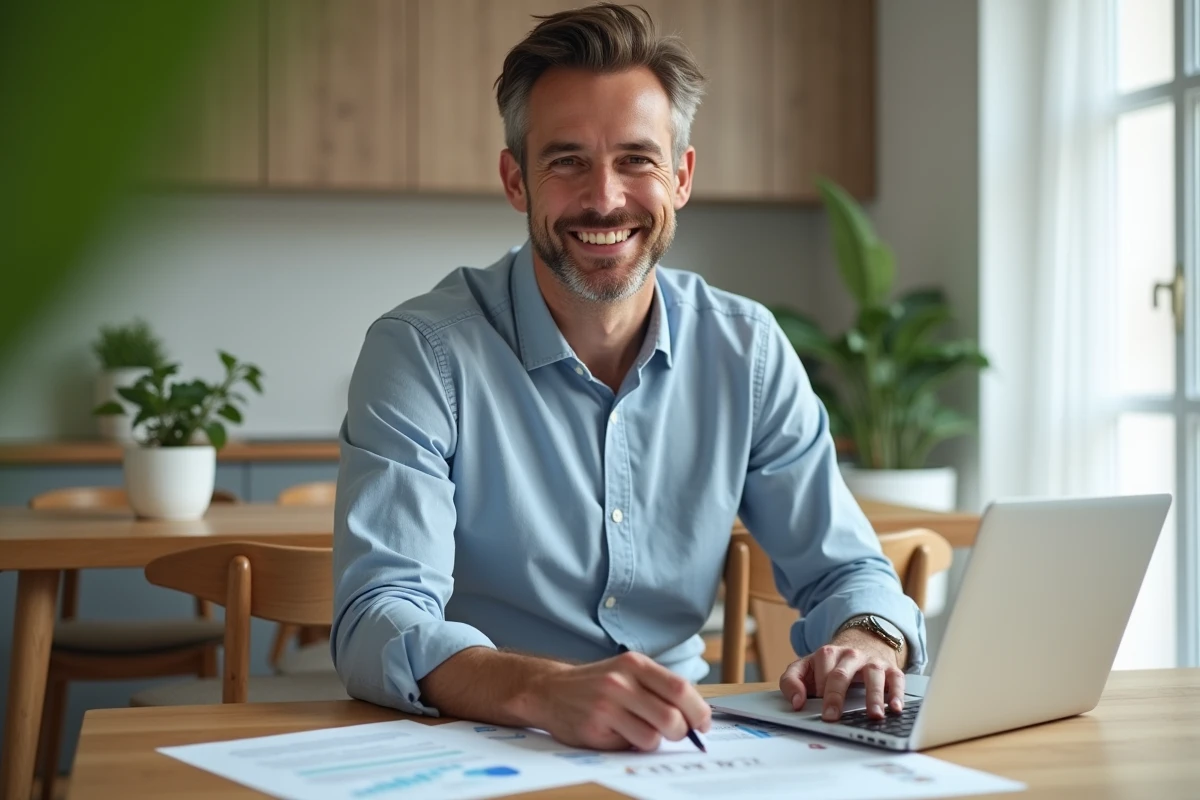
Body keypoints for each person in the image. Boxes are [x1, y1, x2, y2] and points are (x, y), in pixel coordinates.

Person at [332, 3, 925, 752]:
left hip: (684, 747)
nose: (605, 198)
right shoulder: (420, 353)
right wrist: (543, 689)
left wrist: (870, 638)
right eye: (567, 161)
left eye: (637, 159)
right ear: (517, 181)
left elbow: (844, 568)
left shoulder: (748, 350)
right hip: (479, 743)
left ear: (680, 176)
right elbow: (379, 618)